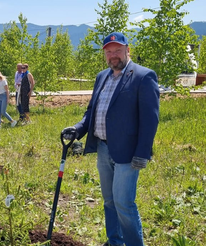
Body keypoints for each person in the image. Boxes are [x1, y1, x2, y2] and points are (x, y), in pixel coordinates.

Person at [61, 32, 160, 246]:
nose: (113, 55)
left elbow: (150, 119)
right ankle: (115, 241)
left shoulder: (143, 76)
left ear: (127, 50)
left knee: (124, 203)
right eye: (109, 51)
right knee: (109, 201)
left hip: (128, 154)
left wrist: (143, 153)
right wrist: (77, 129)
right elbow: (92, 111)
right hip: (104, 149)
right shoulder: (102, 77)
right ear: (104, 54)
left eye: (117, 50)